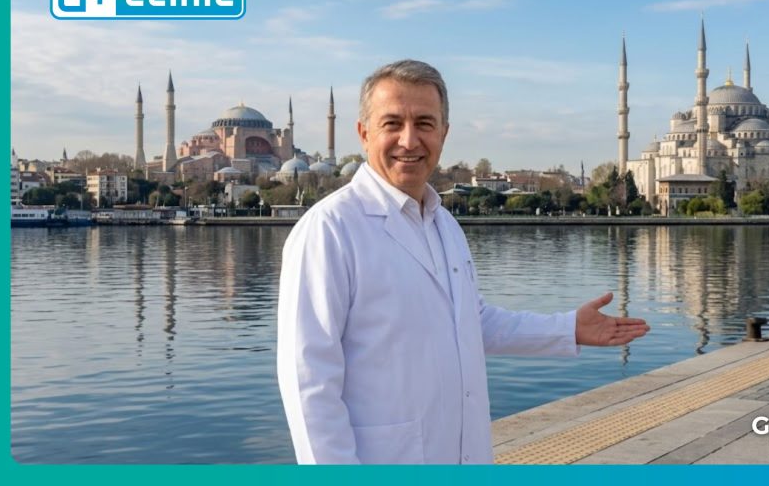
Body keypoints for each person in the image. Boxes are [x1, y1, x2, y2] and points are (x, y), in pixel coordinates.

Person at [277, 60, 650, 464]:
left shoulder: (443, 224)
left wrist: (566, 328)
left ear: (443, 133)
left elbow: (471, 321)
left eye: (424, 123)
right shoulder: (330, 230)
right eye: (392, 124)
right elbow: (308, 382)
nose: (409, 140)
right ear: (364, 133)